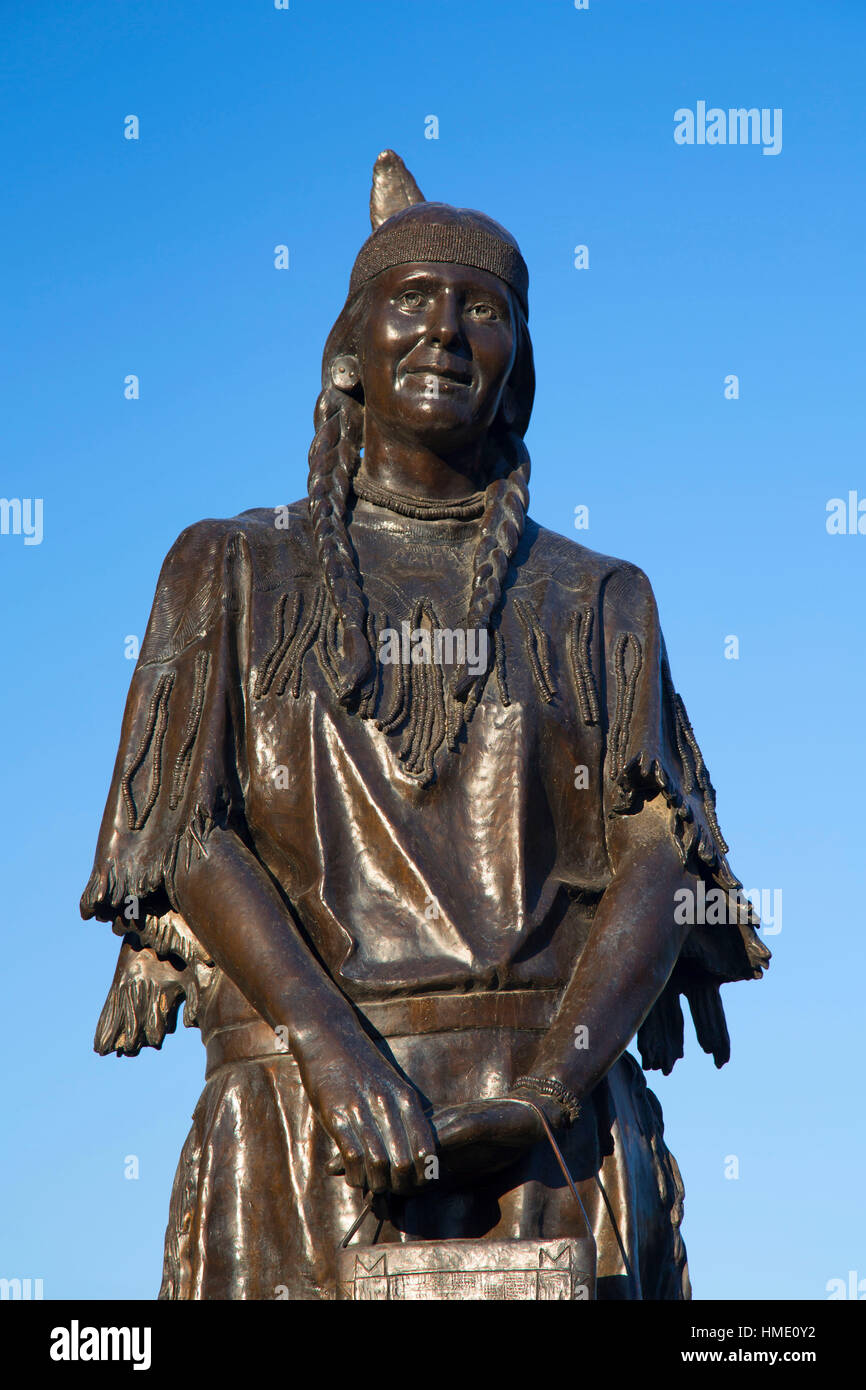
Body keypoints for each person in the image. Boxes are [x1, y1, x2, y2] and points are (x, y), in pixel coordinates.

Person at [81, 151, 769, 1300]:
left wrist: (549, 1092)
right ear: (347, 353)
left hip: (548, 1142)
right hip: (297, 1127)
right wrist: (331, 1045)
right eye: (412, 301)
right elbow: (184, 835)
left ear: (518, 367)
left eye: (482, 310)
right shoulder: (231, 570)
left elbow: (665, 856)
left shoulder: (599, 598)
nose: (446, 331)